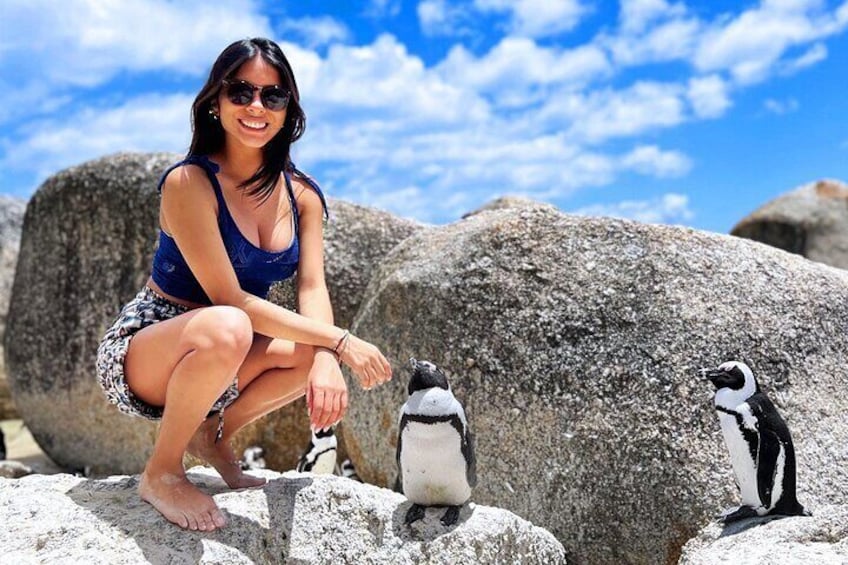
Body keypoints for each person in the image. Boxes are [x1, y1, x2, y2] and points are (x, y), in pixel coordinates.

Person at [95, 37, 392, 532]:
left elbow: (312, 287)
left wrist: (324, 357)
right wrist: (340, 340)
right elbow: (228, 300)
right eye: (241, 92)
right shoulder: (188, 183)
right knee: (232, 323)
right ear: (215, 101)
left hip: (230, 343)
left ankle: (210, 436)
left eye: (272, 96)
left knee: (307, 351)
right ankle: (162, 472)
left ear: (288, 109)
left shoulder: (303, 197)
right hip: (152, 345)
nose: (257, 106)